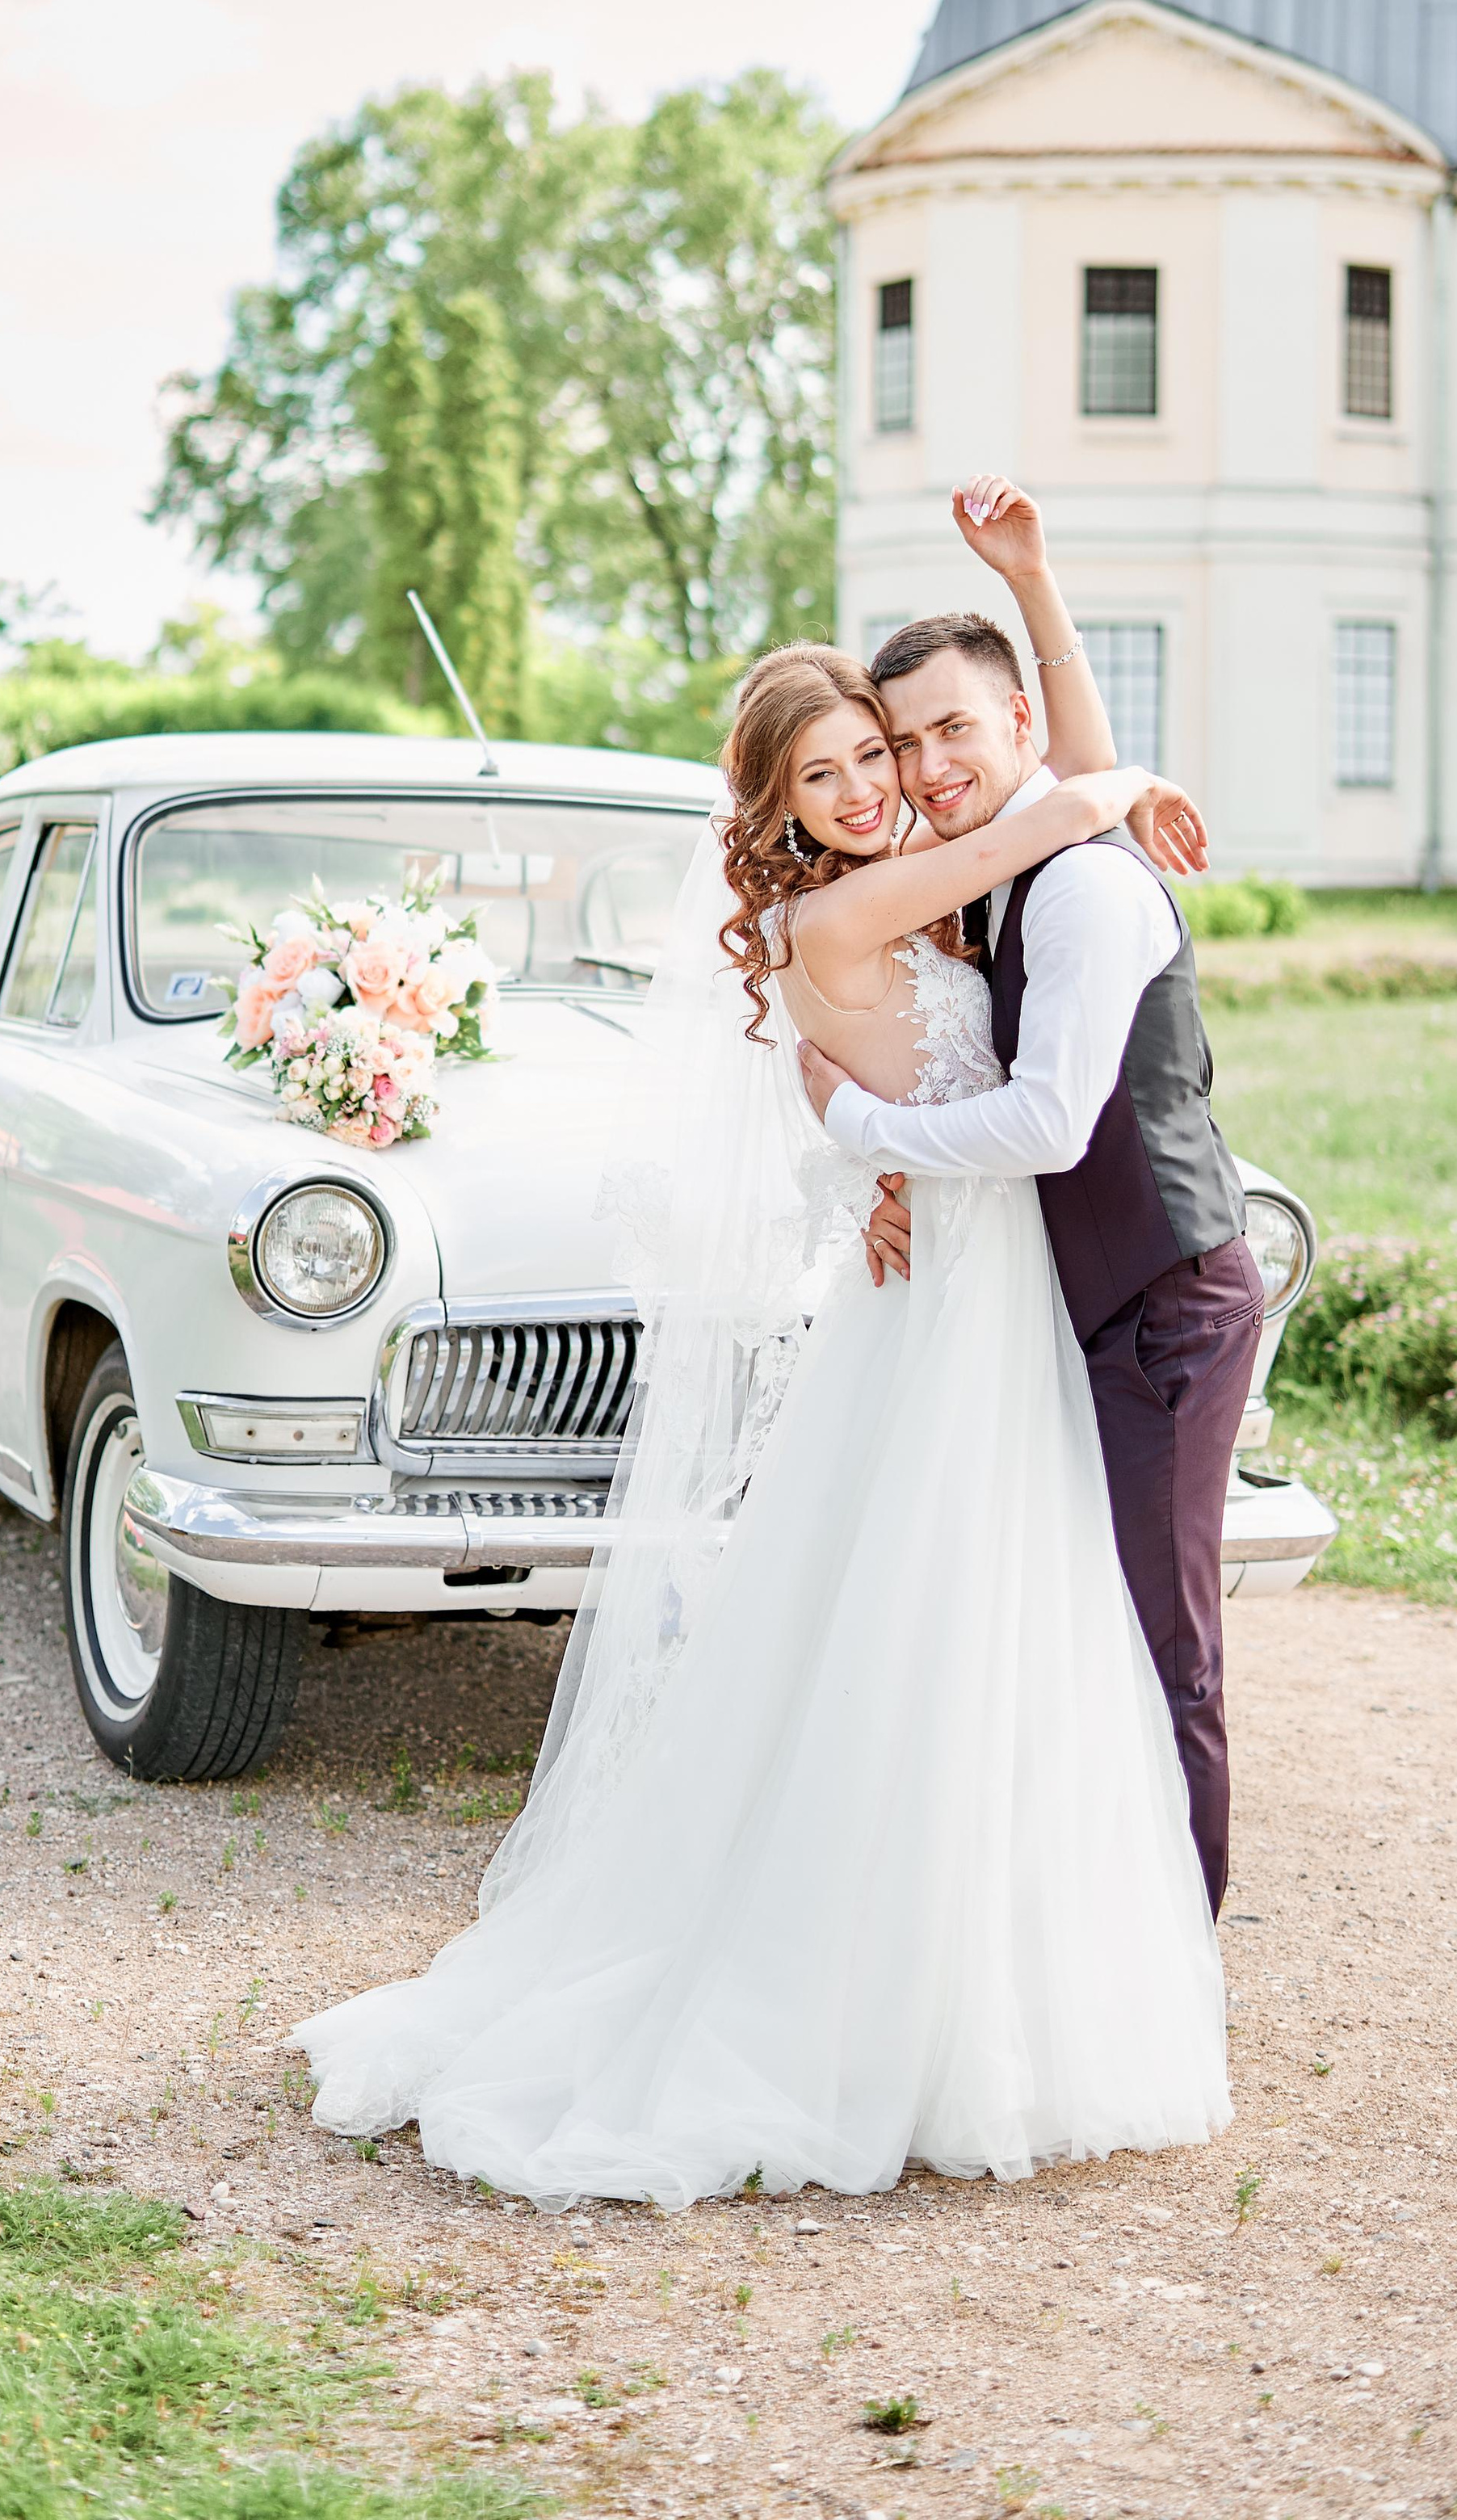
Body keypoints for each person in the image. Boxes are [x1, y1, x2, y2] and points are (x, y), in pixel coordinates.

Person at [289, 585, 1232, 2213]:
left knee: (1003, 1631)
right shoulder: (844, 919)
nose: (874, 788)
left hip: (990, 1290)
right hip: (954, 1304)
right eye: (829, 776)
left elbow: (1021, 836)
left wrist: (863, 1135)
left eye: (881, 754)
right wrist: (1108, 788)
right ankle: (906, 2000)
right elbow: (1056, 804)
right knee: (930, 1636)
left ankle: (1008, 1971)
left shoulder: (921, 903)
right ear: (774, 810)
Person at [796, 477, 1264, 1921]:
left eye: (954, 732)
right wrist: (892, 1175)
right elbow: (1069, 788)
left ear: (1014, 728)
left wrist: (858, 1124)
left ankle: (1180, 1942)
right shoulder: (997, 871)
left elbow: (1056, 1123)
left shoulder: (1080, 891)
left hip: (1166, 1303)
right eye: (900, 742)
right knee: (1062, 1618)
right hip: (1068, 1301)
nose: (927, 769)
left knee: (1161, 1631)